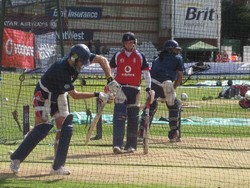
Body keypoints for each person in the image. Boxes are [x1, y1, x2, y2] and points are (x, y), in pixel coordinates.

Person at [9, 44, 119, 175]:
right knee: (40, 130)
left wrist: (110, 80)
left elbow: (102, 60)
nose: (83, 65)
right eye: (81, 62)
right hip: (44, 95)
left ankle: (57, 166)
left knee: (64, 128)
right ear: (73, 58)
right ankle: (16, 158)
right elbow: (75, 95)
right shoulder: (62, 70)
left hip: (60, 94)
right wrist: (98, 95)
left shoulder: (82, 57)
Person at [109, 32, 153, 154]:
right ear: (123, 43)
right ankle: (117, 145)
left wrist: (148, 88)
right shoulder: (118, 55)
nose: (129, 45)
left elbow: (146, 74)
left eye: (131, 42)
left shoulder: (140, 56)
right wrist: (110, 84)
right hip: (120, 89)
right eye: (126, 42)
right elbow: (110, 70)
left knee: (134, 118)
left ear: (134, 43)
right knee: (119, 117)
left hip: (135, 90)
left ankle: (131, 146)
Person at [138, 39, 184, 143]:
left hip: (153, 84)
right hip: (167, 83)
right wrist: (173, 89)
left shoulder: (157, 58)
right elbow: (180, 77)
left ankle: (142, 132)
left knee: (150, 107)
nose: (177, 51)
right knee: (174, 106)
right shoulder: (178, 58)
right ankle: (173, 134)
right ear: (170, 49)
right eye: (175, 49)